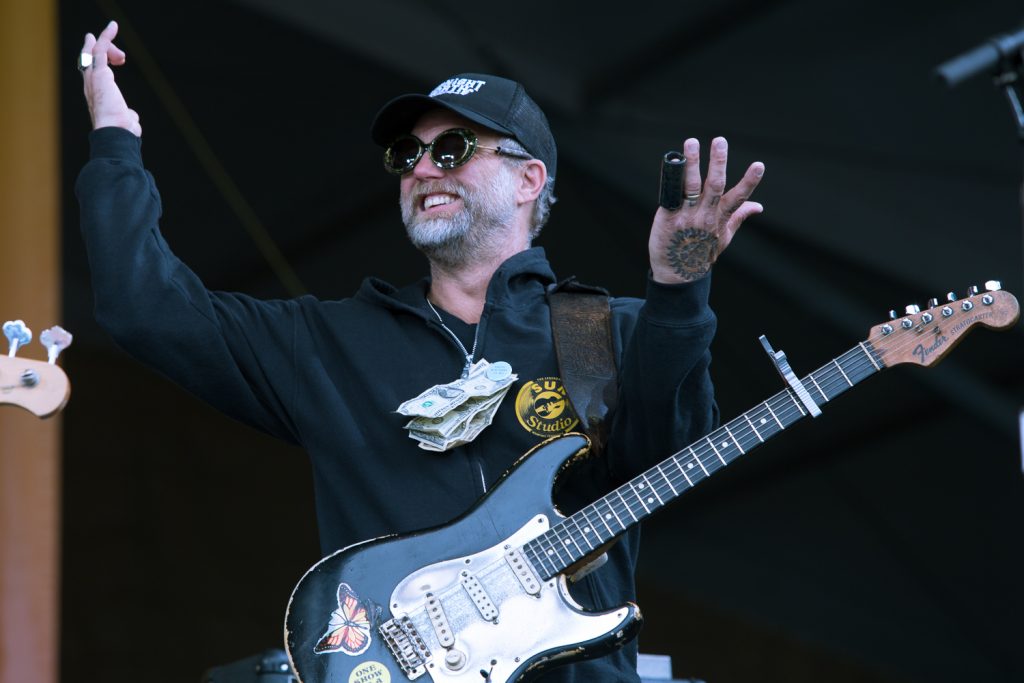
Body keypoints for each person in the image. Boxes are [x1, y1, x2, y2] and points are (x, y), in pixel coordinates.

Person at [77, 20, 764, 683]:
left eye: (455, 148)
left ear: (529, 179)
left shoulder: (597, 330)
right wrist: (115, 142)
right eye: (407, 155)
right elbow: (148, 309)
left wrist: (679, 290)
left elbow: (669, 458)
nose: (424, 168)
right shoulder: (331, 342)